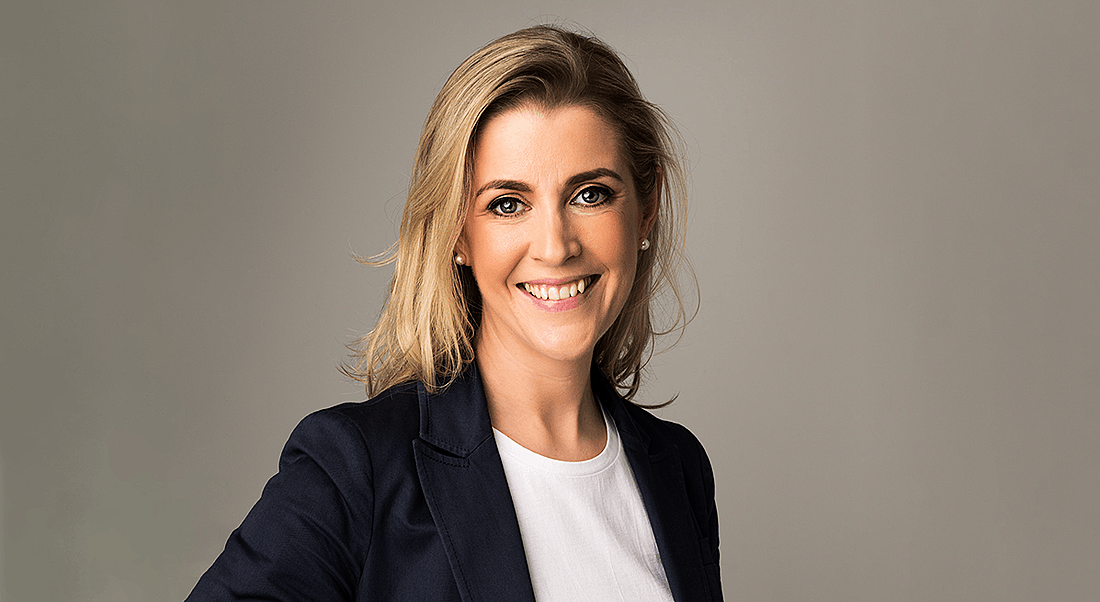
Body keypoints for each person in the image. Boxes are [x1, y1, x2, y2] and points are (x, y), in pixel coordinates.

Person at [186, 25, 721, 602]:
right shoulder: (354, 468)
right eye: (507, 204)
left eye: (589, 194)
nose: (555, 245)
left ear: (646, 210)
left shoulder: (679, 469)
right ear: (457, 236)